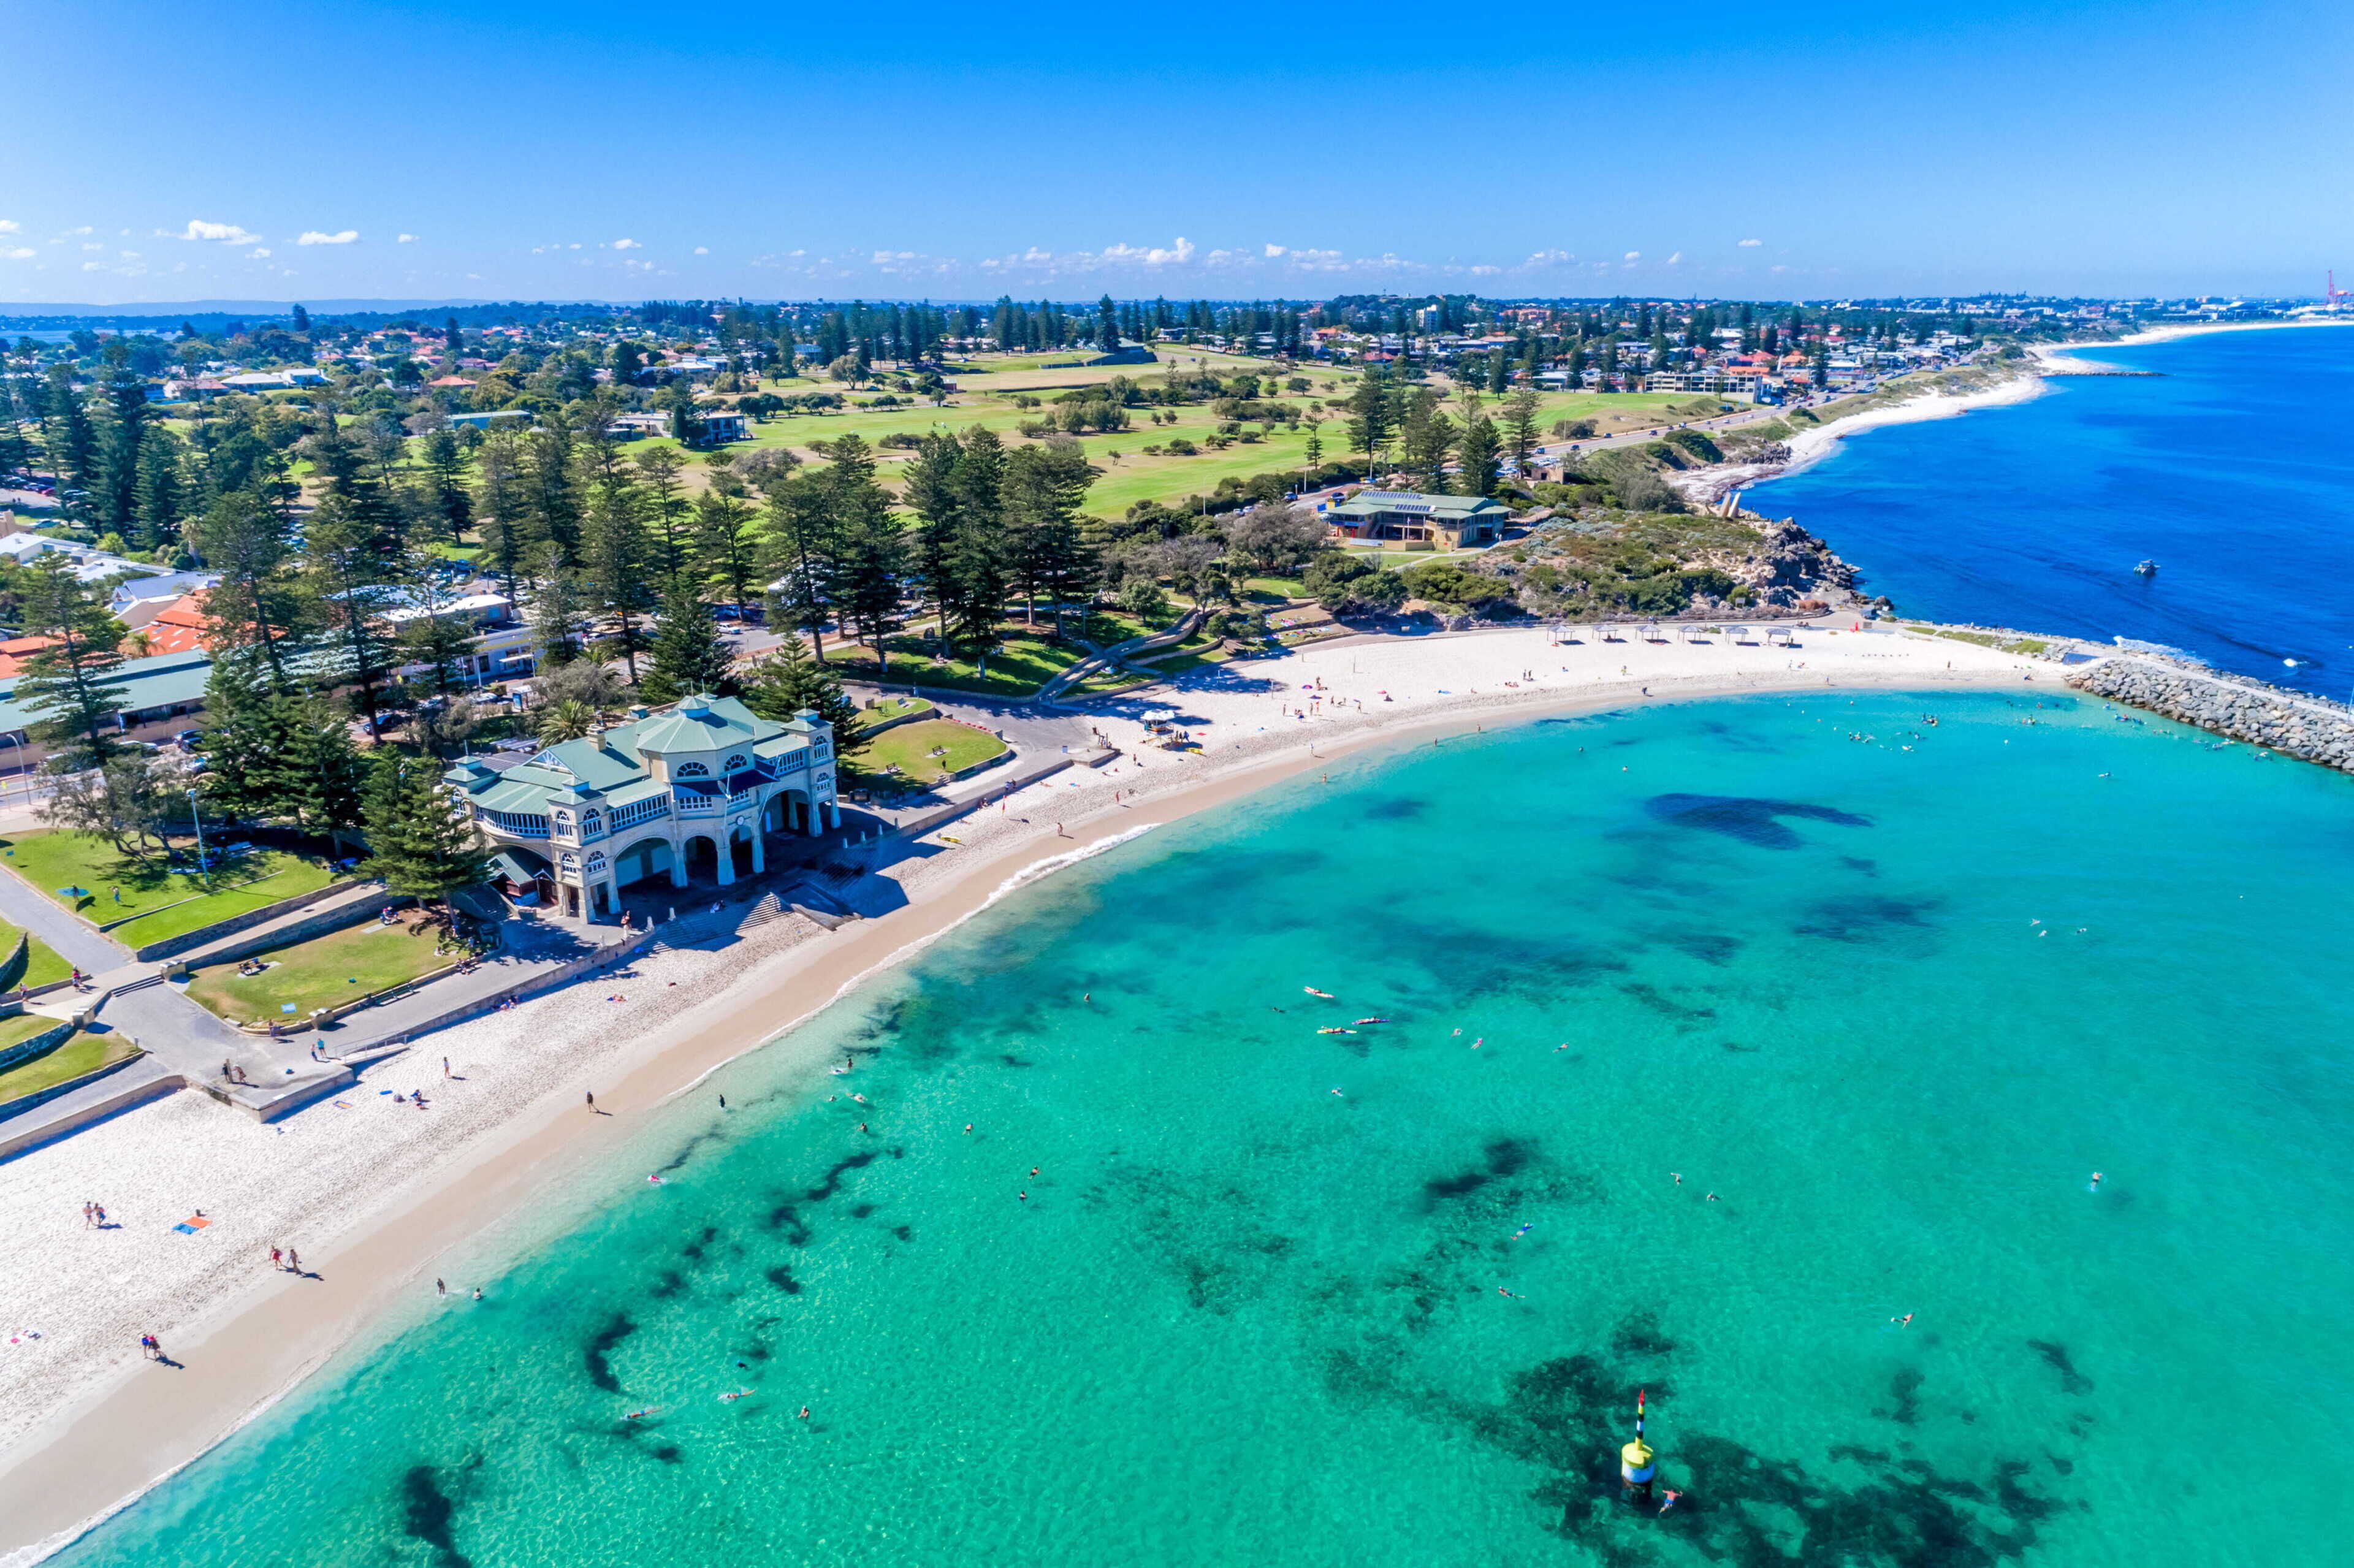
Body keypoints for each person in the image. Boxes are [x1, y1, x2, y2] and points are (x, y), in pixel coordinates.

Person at [1621, 1434, 1657, 1503]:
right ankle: (1646, 1500)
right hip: (1644, 1481)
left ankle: (1630, 1500)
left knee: (1628, 1487)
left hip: (1632, 1480)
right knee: (1646, 1489)